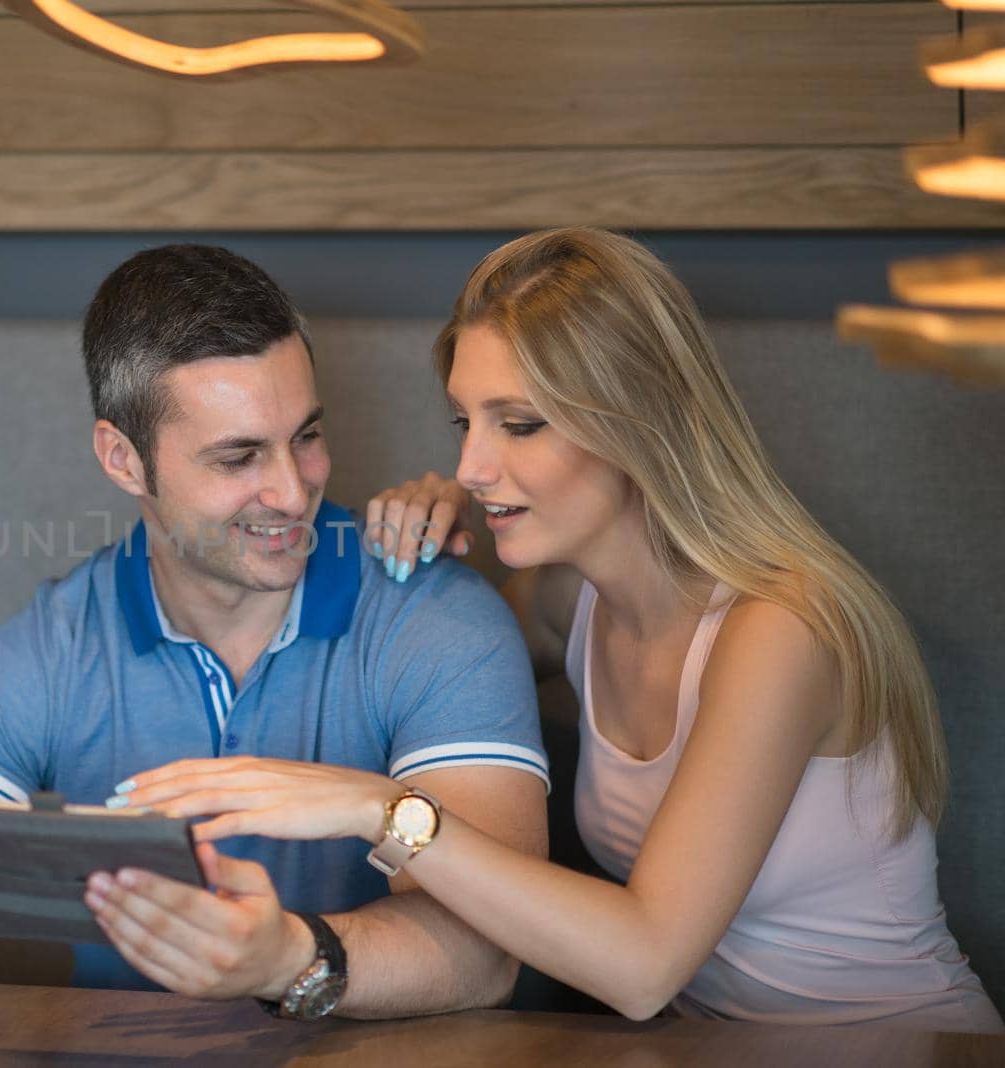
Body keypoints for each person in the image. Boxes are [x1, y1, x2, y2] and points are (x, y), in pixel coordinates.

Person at [101, 228, 1004, 1031]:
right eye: (466, 421)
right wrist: (438, 535)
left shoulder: (783, 631)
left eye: (519, 424)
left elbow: (645, 966)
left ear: (636, 423)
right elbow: (441, 663)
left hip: (911, 1046)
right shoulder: (571, 608)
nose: (470, 462)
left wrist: (375, 808)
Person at [0, 244, 550, 1019]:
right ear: (123, 459)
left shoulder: (434, 615)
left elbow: (488, 952)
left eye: (306, 436)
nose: (291, 490)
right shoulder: (62, 641)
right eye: (238, 456)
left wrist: (288, 959)